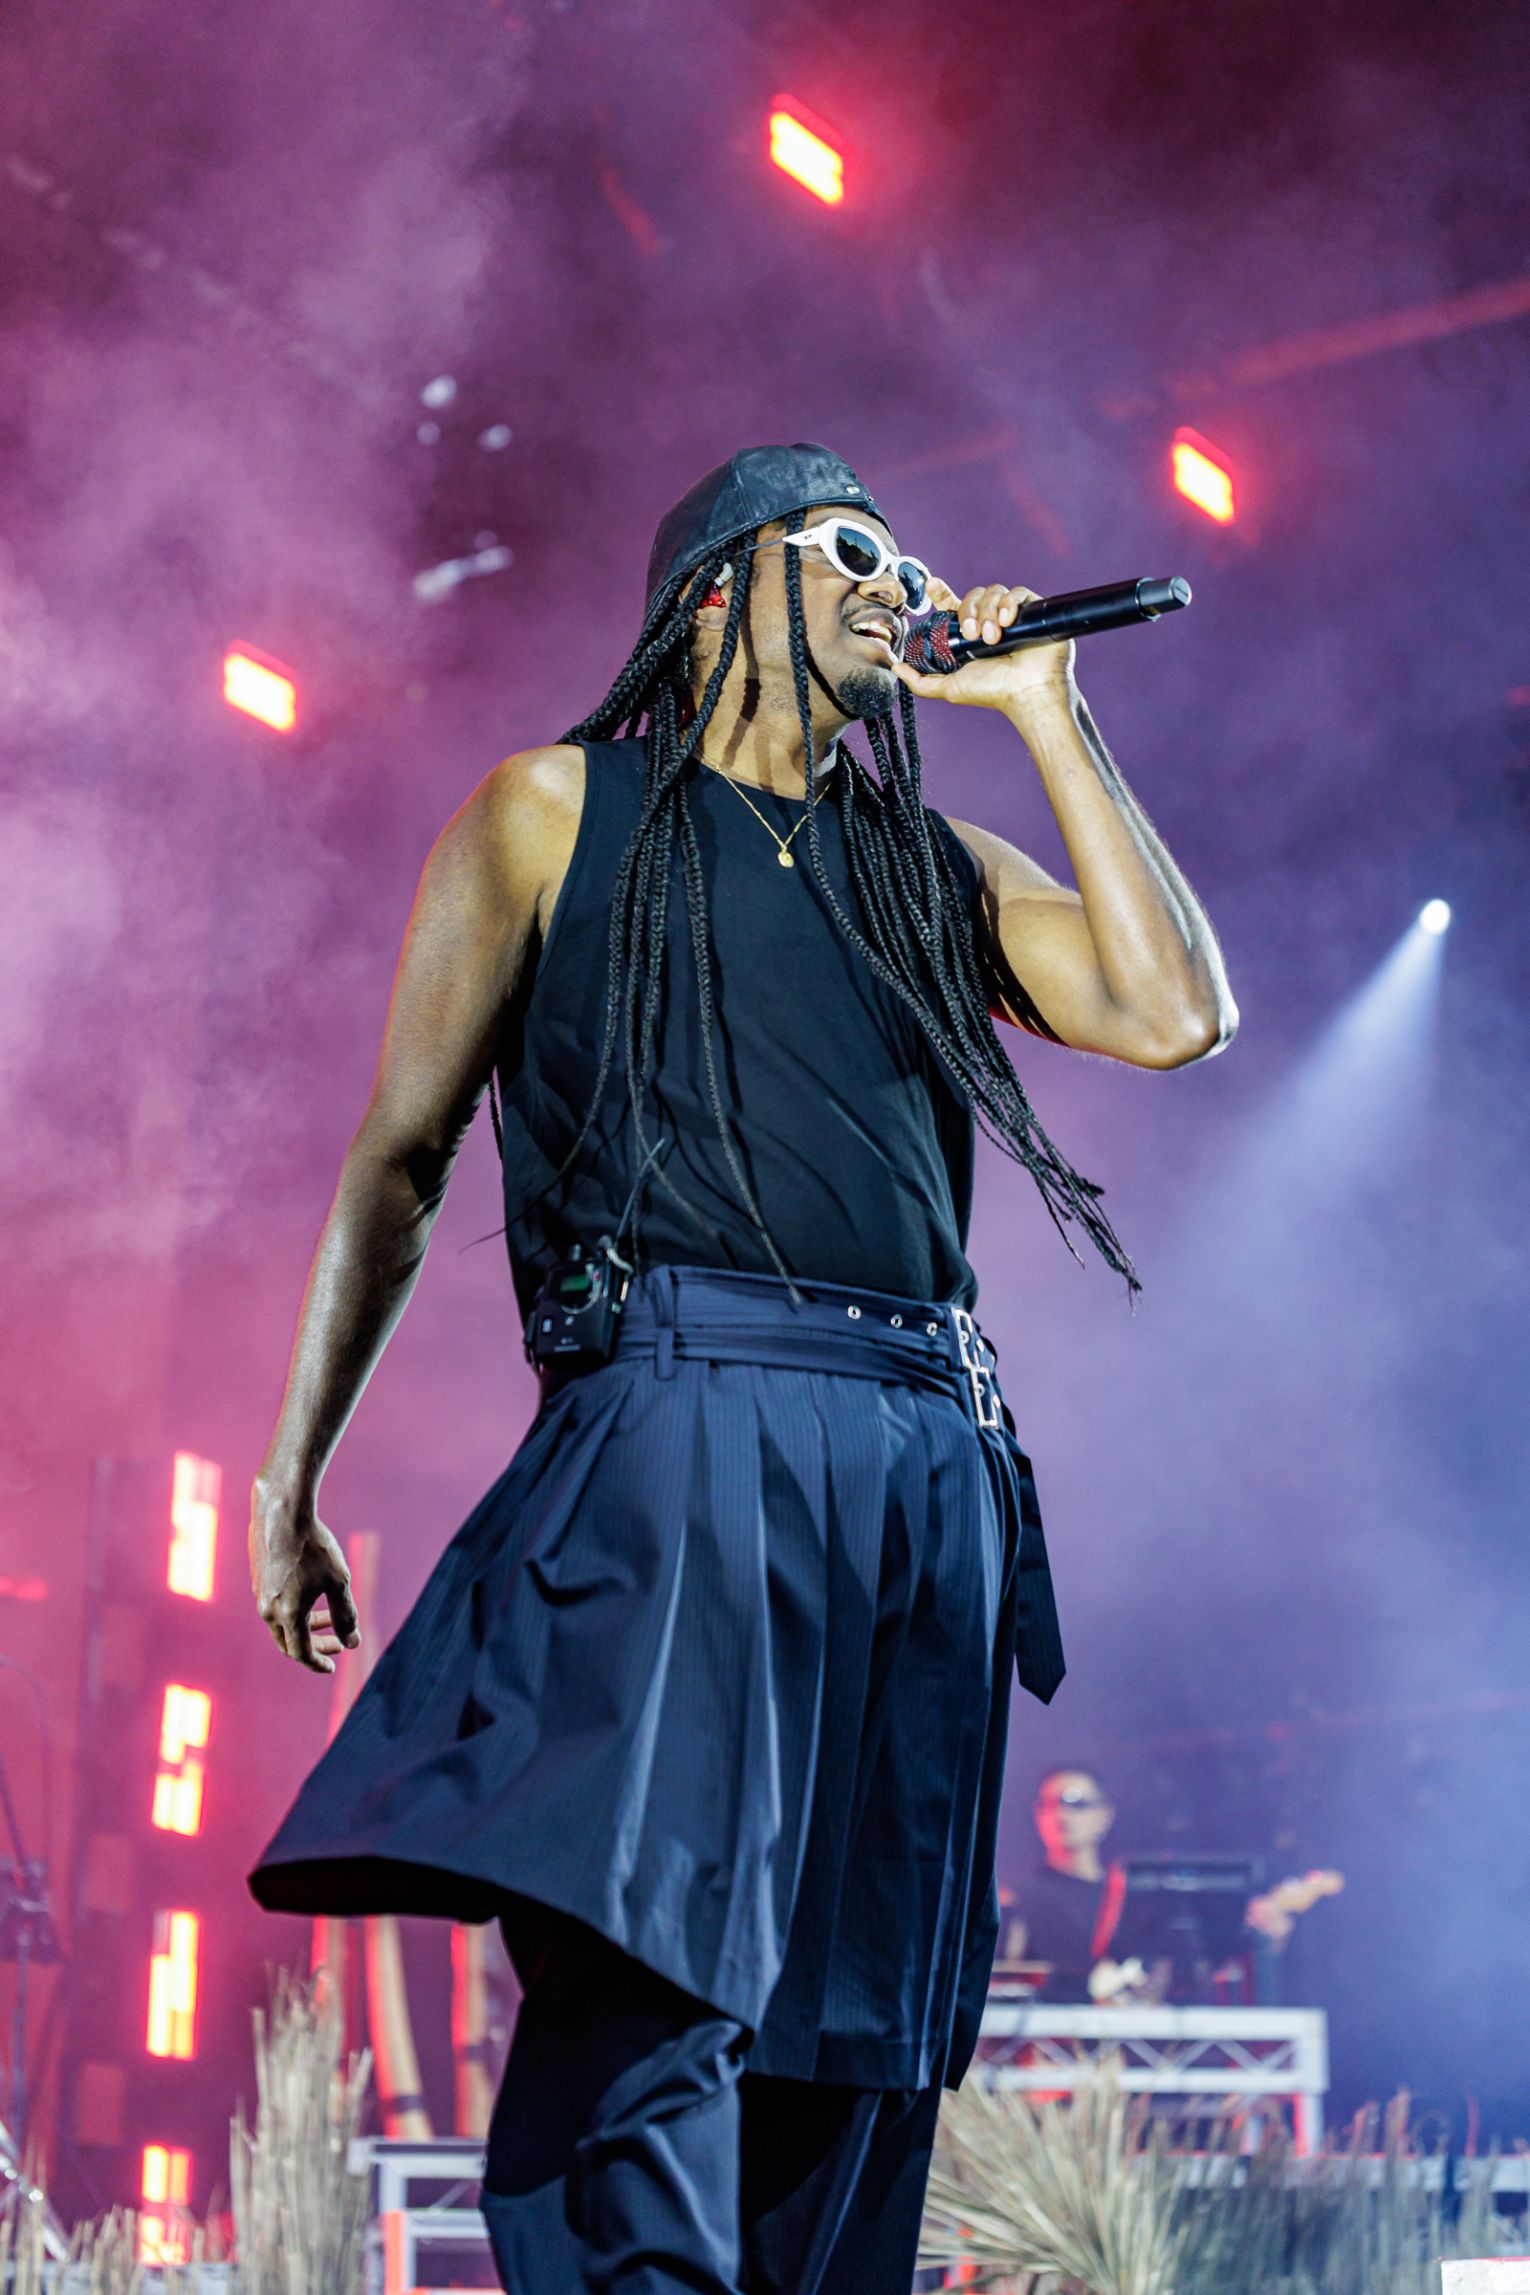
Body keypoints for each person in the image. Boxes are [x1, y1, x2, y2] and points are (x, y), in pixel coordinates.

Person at [245, 443, 1237, 2294]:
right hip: (682, 1407)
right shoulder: (555, 809)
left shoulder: (933, 863)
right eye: (847, 548)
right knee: (654, 1945)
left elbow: (1174, 1013)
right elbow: (399, 1157)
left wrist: (1049, 712)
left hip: (926, 1448)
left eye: (906, 562)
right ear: (713, 592)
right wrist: (291, 1472)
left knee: (864, 2004)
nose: (894, 584)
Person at [1011, 1766, 1341, 2002]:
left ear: (1105, 1815)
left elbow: (1196, 1969)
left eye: (1076, 1803)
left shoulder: (1137, 1888)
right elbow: (1009, 1978)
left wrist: (1265, 1942)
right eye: (1049, 1804)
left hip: (1139, 2050)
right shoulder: (1020, 1896)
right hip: (1050, 2048)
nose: (1061, 1815)